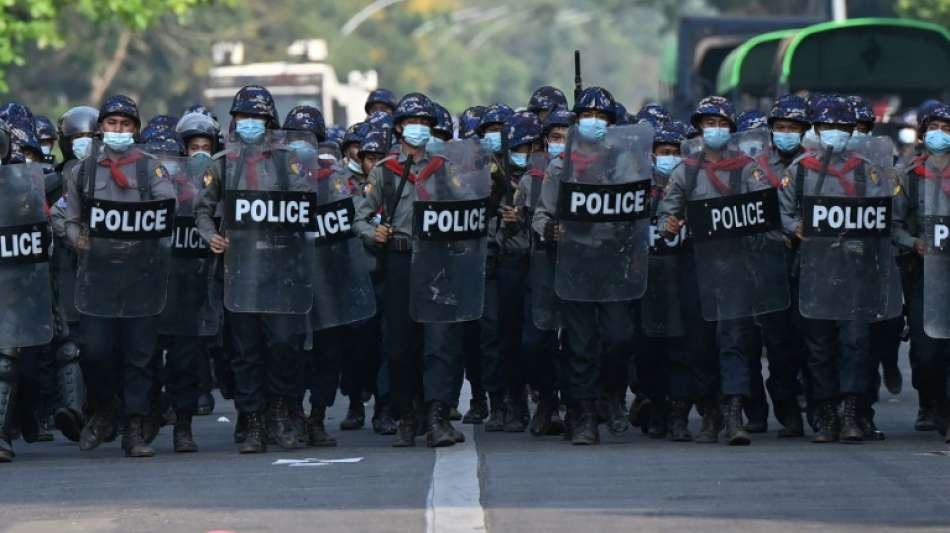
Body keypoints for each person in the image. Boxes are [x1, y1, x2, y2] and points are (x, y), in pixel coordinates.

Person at [194, 85, 310, 454]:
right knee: (244, 350)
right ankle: (252, 418)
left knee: (283, 344)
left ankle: (281, 411)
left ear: (269, 121)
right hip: (239, 270)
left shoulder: (288, 161)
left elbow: (305, 206)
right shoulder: (222, 163)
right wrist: (212, 236)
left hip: (280, 269)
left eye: (257, 117)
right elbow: (202, 209)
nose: (250, 124)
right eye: (243, 117)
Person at [64, 95, 176, 457]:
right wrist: (78, 238)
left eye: (125, 125)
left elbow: (166, 208)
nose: (118, 130)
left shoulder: (150, 168)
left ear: (135, 130)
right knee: (95, 352)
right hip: (97, 276)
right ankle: (106, 408)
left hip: (141, 276)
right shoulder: (82, 171)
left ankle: (134, 428)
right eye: (112, 124)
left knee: (140, 355)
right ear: (101, 128)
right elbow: (70, 219)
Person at [353, 93, 467, 448]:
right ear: (400, 127)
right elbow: (360, 215)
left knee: (441, 340)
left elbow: (467, 212)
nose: (418, 129)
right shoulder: (386, 171)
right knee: (401, 344)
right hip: (400, 260)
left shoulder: (447, 168)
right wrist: (375, 233)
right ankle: (406, 414)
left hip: (438, 262)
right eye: (412, 122)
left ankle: (437, 414)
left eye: (424, 123)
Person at [532, 87, 639, 445]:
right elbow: (542, 214)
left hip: (611, 264)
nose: (594, 122)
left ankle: (611, 393)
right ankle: (583, 414)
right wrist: (551, 230)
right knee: (579, 343)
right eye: (587, 116)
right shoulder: (560, 167)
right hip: (574, 263)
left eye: (602, 118)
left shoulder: (623, 163)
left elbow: (638, 210)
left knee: (619, 337)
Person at [893, 101, 950, 443]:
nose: (940, 135)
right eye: (934, 129)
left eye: (947, 129)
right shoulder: (909, 176)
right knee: (927, 351)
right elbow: (893, 226)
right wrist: (914, 243)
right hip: (924, 275)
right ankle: (929, 400)